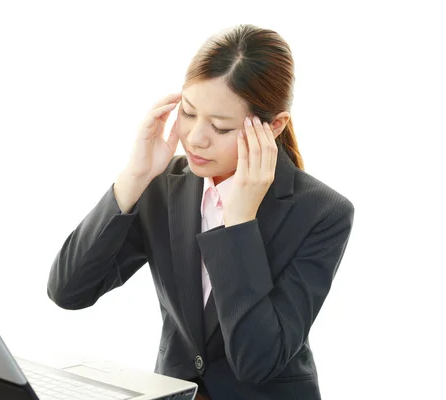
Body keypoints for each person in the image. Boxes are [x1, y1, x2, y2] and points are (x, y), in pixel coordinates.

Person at [47, 23, 354, 400]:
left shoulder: (322, 213)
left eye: (221, 127)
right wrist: (135, 177)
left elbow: (256, 360)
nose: (195, 138)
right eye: (189, 113)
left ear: (274, 126)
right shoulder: (163, 184)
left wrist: (239, 224)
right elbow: (69, 291)